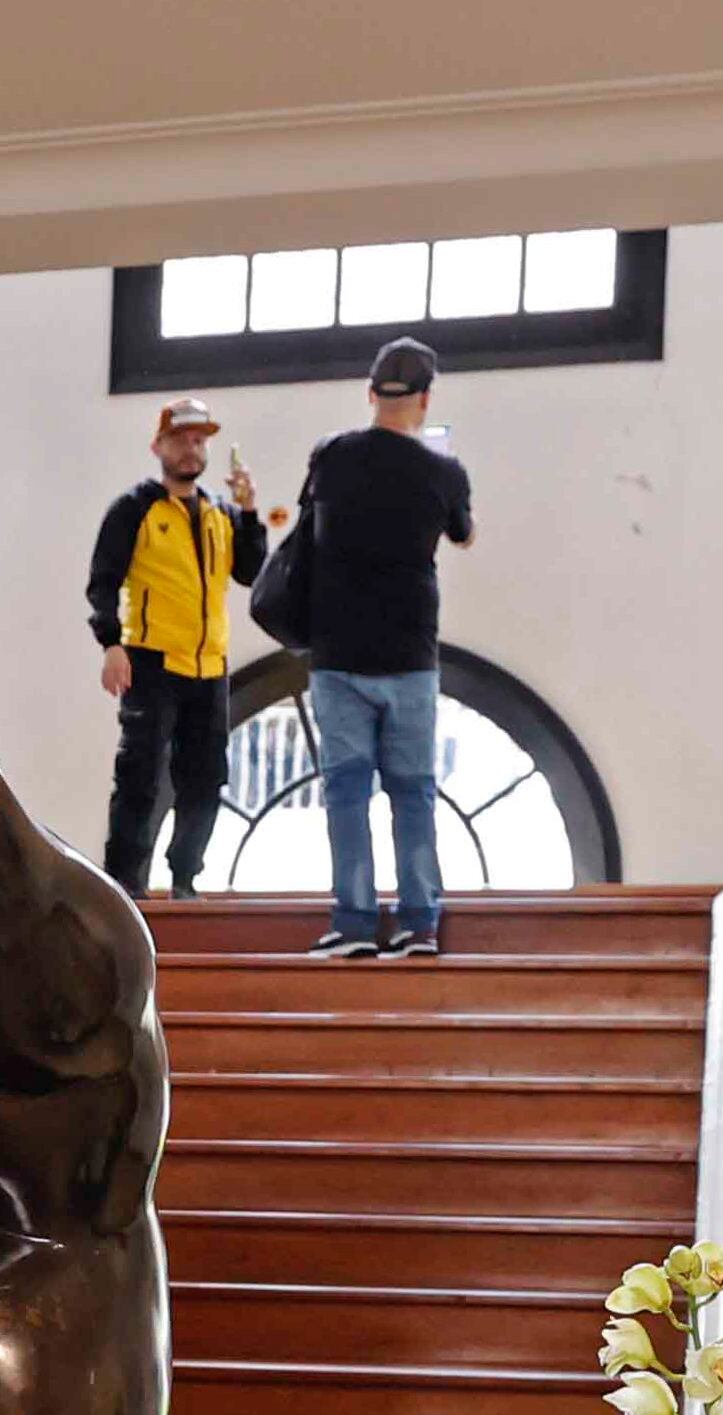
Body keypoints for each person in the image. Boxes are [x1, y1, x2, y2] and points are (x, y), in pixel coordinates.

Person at [288, 335, 476, 957]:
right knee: (412, 791)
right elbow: (463, 535)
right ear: (425, 400)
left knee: (346, 791)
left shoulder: (332, 456)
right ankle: (420, 923)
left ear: (370, 395)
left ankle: (354, 922)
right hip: (411, 656)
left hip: (339, 652)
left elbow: (307, 524)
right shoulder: (443, 471)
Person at [85, 398, 274, 894]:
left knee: (206, 779)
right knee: (140, 777)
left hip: (209, 666)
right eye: (181, 439)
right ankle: (125, 883)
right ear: (158, 445)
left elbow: (251, 573)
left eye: (199, 441)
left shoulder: (220, 514)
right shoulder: (135, 509)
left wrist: (251, 512)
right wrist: (111, 643)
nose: (191, 449)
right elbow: (104, 580)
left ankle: (186, 877)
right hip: (151, 660)